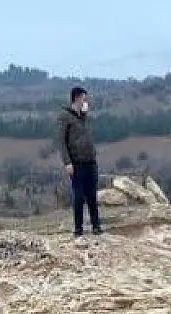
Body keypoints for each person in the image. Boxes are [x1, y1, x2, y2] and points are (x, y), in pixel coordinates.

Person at [57, 86, 102, 237]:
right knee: (78, 197)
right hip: (77, 164)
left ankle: (96, 226)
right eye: (83, 98)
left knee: (92, 196)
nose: (85, 101)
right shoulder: (65, 117)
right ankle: (78, 229)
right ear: (77, 98)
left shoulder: (81, 117)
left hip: (90, 162)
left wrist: (83, 113)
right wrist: (67, 162)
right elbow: (61, 141)